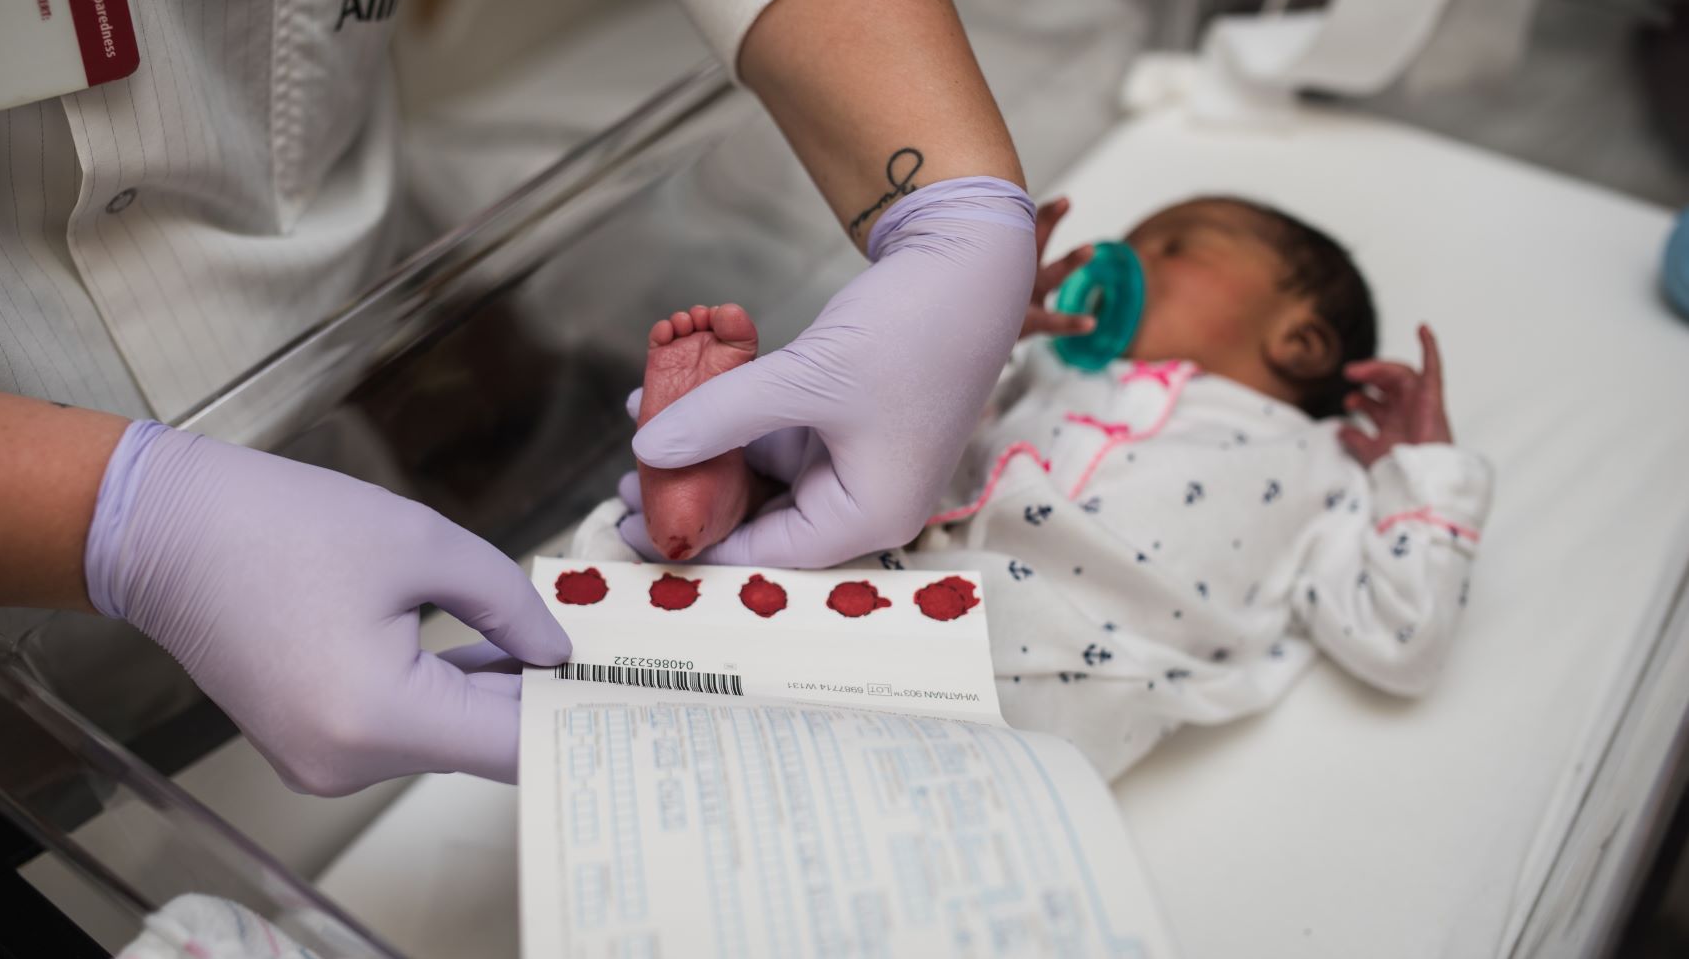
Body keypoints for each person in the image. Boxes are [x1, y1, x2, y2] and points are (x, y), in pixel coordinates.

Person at [0, 0, 1035, 799]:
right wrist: (122, 517)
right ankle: (683, 478)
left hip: (361, 389)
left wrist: (951, 206)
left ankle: (685, 480)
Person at [610, 196, 1494, 777]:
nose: (1119, 258)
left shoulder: (1322, 468)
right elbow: (942, 424)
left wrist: (1427, 477)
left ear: (1299, 341)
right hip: (898, 541)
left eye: (1174, 246)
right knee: (859, 446)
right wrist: (984, 332)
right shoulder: (1050, 374)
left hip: (1061, 657)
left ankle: (718, 515)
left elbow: (1400, 641)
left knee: (889, 724)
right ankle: (719, 478)